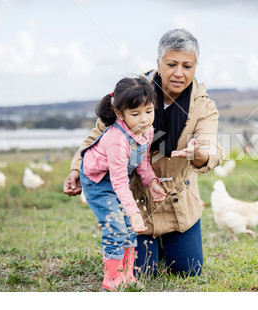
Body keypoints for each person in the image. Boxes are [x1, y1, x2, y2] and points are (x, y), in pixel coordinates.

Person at [64, 28, 224, 278]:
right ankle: (145, 246)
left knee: (188, 270)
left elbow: (209, 148)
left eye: (187, 66)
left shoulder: (204, 106)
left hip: (177, 201)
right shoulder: (134, 93)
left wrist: (198, 153)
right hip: (137, 200)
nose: (179, 73)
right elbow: (96, 137)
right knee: (142, 272)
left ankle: (165, 243)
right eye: (172, 64)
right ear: (158, 63)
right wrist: (76, 169)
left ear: (195, 68)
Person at [79, 76, 166, 291]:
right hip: (98, 182)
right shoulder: (117, 139)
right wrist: (135, 212)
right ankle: (112, 279)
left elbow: (143, 163)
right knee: (115, 225)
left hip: (117, 180)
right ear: (120, 114)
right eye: (135, 114)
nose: (144, 119)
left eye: (149, 111)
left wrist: (152, 182)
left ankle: (127, 275)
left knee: (128, 228)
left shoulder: (146, 131)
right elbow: (119, 182)